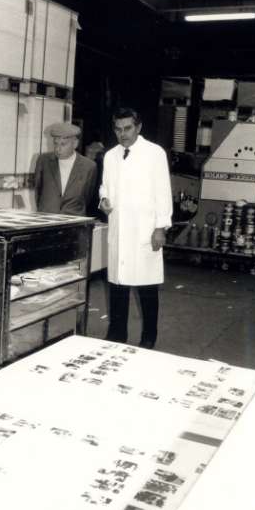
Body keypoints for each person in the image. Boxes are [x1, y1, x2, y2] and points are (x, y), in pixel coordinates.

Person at [99, 107, 173, 349]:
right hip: (119, 229)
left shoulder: (154, 153)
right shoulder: (110, 156)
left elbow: (163, 193)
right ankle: (117, 333)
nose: (123, 134)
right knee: (118, 284)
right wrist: (104, 200)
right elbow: (105, 188)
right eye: (118, 129)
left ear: (138, 127)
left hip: (144, 230)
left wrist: (161, 227)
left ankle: (149, 336)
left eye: (127, 128)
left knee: (147, 286)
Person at [34, 122, 97, 216]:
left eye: (63, 144)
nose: (58, 149)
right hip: (46, 220)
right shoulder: (43, 161)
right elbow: (38, 191)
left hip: (73, 221)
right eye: (55, 144)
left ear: (75, 144)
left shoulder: (89, 166)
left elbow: (87, 197)